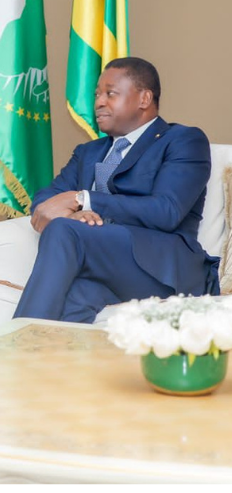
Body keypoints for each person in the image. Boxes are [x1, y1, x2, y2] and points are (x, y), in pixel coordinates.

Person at [13, 56, 220, 323]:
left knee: (64, 230)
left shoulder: (182, 140)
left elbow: (167, 211)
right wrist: (74, 213)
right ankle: (37, 348)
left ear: (144, 98)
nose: (99, 102)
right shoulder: (88, 152)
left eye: (110, 94)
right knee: (74, 298)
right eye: (97, 95)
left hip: (162, 271)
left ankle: (14, 342)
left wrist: (84, 200)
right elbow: (47, 200)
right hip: (107, 271)